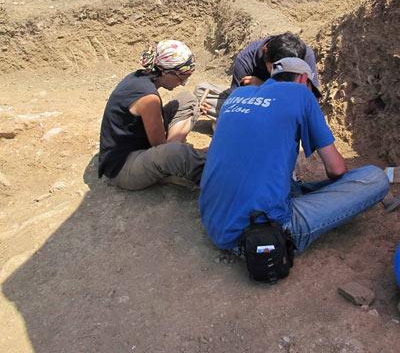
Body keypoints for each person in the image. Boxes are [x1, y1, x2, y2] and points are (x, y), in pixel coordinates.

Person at [200, 56, 389, 254]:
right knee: (374, 177)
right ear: (303, 79)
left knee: (278, 177)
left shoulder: (238, 94)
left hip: (214, 222)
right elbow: (336, 170)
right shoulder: (300, 93)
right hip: (261, 236)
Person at [98, 40, 206, 190]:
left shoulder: (139, 77)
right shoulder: (149, 98)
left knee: (187, 99)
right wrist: (180, 151)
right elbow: (159, 145)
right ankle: (217, 175)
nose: (182, 83)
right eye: (181, 77)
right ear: (166, 71)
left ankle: (172, 155)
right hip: (123, 169)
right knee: (177, 154)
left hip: (138, 147)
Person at [195, 32, 318, 120]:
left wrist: (262, 86)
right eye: (275, 68)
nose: (280, 75)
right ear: (265, 52)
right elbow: (235, 101)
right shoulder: (246, 59)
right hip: (254, 102)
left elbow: (310, 101)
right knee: (201, 90)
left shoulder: (305, 55)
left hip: (285, 106)